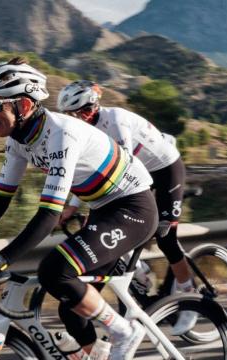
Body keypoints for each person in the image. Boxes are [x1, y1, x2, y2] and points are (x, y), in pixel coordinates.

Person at [0, 58, 157, 360]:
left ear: (22, 106)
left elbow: (49, 215)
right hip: (102, 209)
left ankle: (124, 332)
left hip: (133, 209)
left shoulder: (62, 133)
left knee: (55, 271)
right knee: (72, 310)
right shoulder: (18, 140)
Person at [56, 80, 196, 335]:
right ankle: (141, 271)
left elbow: (121, 169)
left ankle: (190, 296)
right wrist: (72, 206)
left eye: (80, 112)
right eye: (70, 115)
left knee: (166, 238)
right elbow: (85, 173)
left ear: (94, 107)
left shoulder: (115, 121)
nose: (76, 119)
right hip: (139, 177)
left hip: (165, 170)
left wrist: (87, 209)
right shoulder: (84, 131)